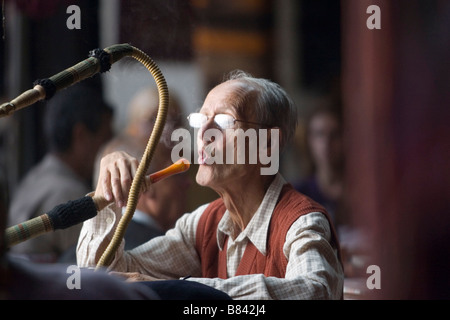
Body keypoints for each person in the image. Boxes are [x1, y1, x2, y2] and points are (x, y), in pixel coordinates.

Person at [77, 70, 344, 300]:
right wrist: (106, 196)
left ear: (267, 144)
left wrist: (183, 292)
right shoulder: (205, 224)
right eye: (200, 120)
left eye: (224, 122)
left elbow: (314, 291)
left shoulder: (301, 222)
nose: (203, 135)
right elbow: (103, 278)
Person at [7, 85, 113, 263]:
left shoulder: (34, 177)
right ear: (81, 136)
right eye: (106, 138)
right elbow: (96, 266)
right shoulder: (71, 195)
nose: (108, 150)